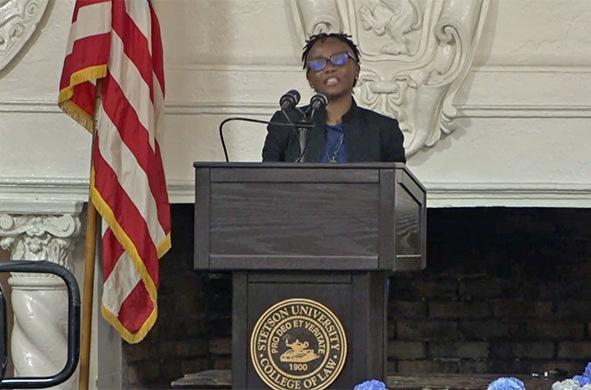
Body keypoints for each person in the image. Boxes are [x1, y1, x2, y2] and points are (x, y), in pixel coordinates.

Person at [262, 32, 406, 163]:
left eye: (339, 59)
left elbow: (394, 186)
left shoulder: (384, 129)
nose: (329, 68)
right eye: (318, 63)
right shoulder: (286, 123)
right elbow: (265, 183)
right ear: (309, 78)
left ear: (357, 69)